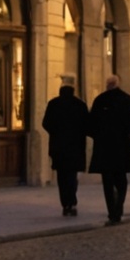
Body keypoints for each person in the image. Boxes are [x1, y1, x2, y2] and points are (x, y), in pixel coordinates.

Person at [86, 75, 130, 224]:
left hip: (104, 148)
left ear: (107, 85)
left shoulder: (100, 100)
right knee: (121, 180)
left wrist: (98, 136)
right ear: (118, 84)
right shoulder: (126, 99)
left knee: (108, 181)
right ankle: (118, 207)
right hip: (121, 146)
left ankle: (112, 212)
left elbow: (90, 124)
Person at [41, 80, 90, 217]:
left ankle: (65, 203)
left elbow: (46, 123)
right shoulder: (80, 105)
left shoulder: (54, 104)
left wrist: (56, 132)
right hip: (76, 146)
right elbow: (87, 125)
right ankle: (72, 201)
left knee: (62, 177)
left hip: (59, 146)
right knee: (72, 176)